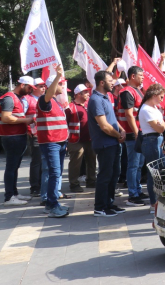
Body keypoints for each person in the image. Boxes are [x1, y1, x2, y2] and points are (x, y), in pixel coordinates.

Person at [89, 70, 126, 217]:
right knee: (105, 176)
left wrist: (121, 129)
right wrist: (118, 135)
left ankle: (109, 203)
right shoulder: (96, 100)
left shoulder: (105, 97)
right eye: (110, 80)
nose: (113, 83)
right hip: (105, 144)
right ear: (102, 82)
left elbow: (112, 119)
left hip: (113, 142)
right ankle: (100, 207)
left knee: (114, 174)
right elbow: (104, 126)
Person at [36, 65, 70, 217]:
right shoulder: (45, 100)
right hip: (51, 143)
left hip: (60, 143)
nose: (63, 86)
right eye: (61, 84)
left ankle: (51, 204)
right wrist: (57, 76)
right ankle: (53, 204)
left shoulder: (56, 102)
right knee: (54, 173)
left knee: (56, 173)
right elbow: (47, 96)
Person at [1, 75, 37, 205]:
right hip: (12, 137)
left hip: (16, 136)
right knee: (11, 167)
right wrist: (26, 120)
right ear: (22, 85)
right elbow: (6, 118)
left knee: (14, 166)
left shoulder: (16, 98)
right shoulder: (9, 98)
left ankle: (14, 193)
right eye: (29, 88)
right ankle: (9, 197)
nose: (30, 91)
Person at [116, 66, 146, 206]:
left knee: (139, 164)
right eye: (141, 75)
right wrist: (136, 133)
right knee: (133, 164)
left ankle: (137, 190)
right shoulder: (127, 92)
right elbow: (129, 114)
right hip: (132, 134)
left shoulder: (137, 90)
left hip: (139, 132)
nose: (143, 77)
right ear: (133, 76)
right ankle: (133, 195)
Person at [139, 83, 165, 212]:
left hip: (156, 139)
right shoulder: (146, 109)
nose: (162, 99)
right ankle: (153, 203)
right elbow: (159, 127)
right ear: (154, 96)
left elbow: (162, 125)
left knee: (159, 171)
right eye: (161, 97)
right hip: (151, 140)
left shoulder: (153, 108)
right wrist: (163, 124)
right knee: (153, 173)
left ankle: (157, 200)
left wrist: (162, 124)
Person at [66, 84, 97, 193]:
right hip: (75, 140)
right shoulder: (70, 107)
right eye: (86, 92)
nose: (88, 94)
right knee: (76, 162)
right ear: (78, 94)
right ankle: (74, 184)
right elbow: (65, 124)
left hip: (90, 139)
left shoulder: (89, 105)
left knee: (92, 161)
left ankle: (91, 181)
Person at [24, 78, 46, 197]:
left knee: (44, 160)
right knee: (37, 160)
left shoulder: (45, 98)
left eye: (44, 85)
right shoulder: (27, 99)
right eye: (40, 86)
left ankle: (41, 184)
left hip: (45, 133)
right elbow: (22, 116)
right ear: (34, 87)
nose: (43, 88)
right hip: (35, 133)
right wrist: (28, 129)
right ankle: (35, 187)